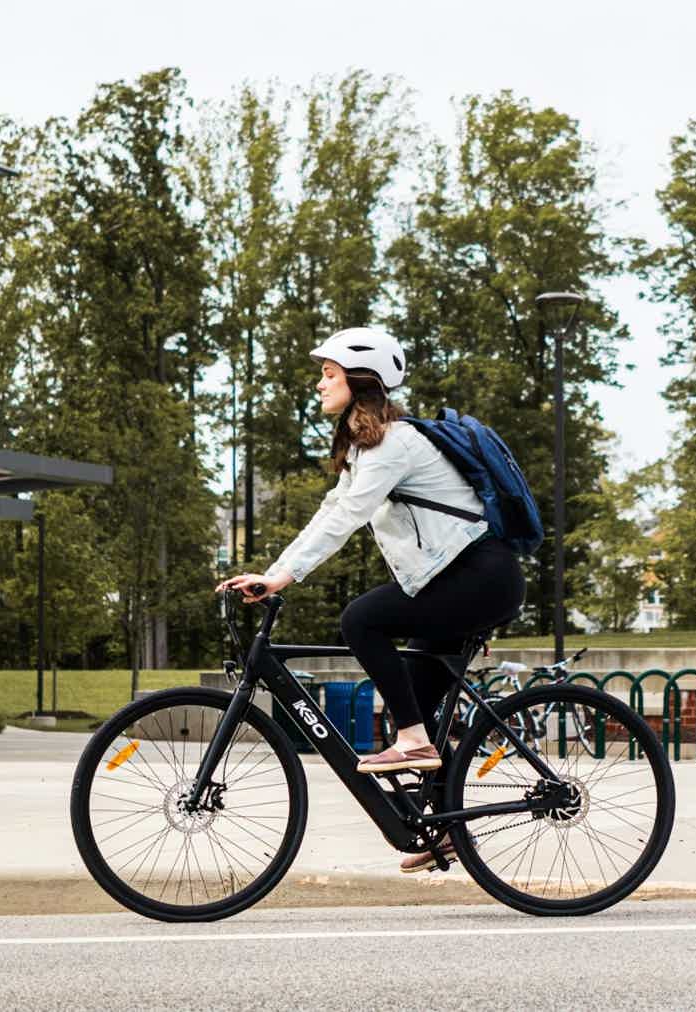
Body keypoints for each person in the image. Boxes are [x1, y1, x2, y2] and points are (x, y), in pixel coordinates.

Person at [215, 326, 526, 871]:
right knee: (411, 711)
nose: (319, 384)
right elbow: (331, 511)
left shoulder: (394, 444)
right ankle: (445, 830)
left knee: (361, 620)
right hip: (455, 581)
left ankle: (417, 745)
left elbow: (349, 517)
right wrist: (275, 572)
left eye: (328, 374)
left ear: (360, 380)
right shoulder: (368, 448)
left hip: (481, 577)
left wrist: (282, 578)